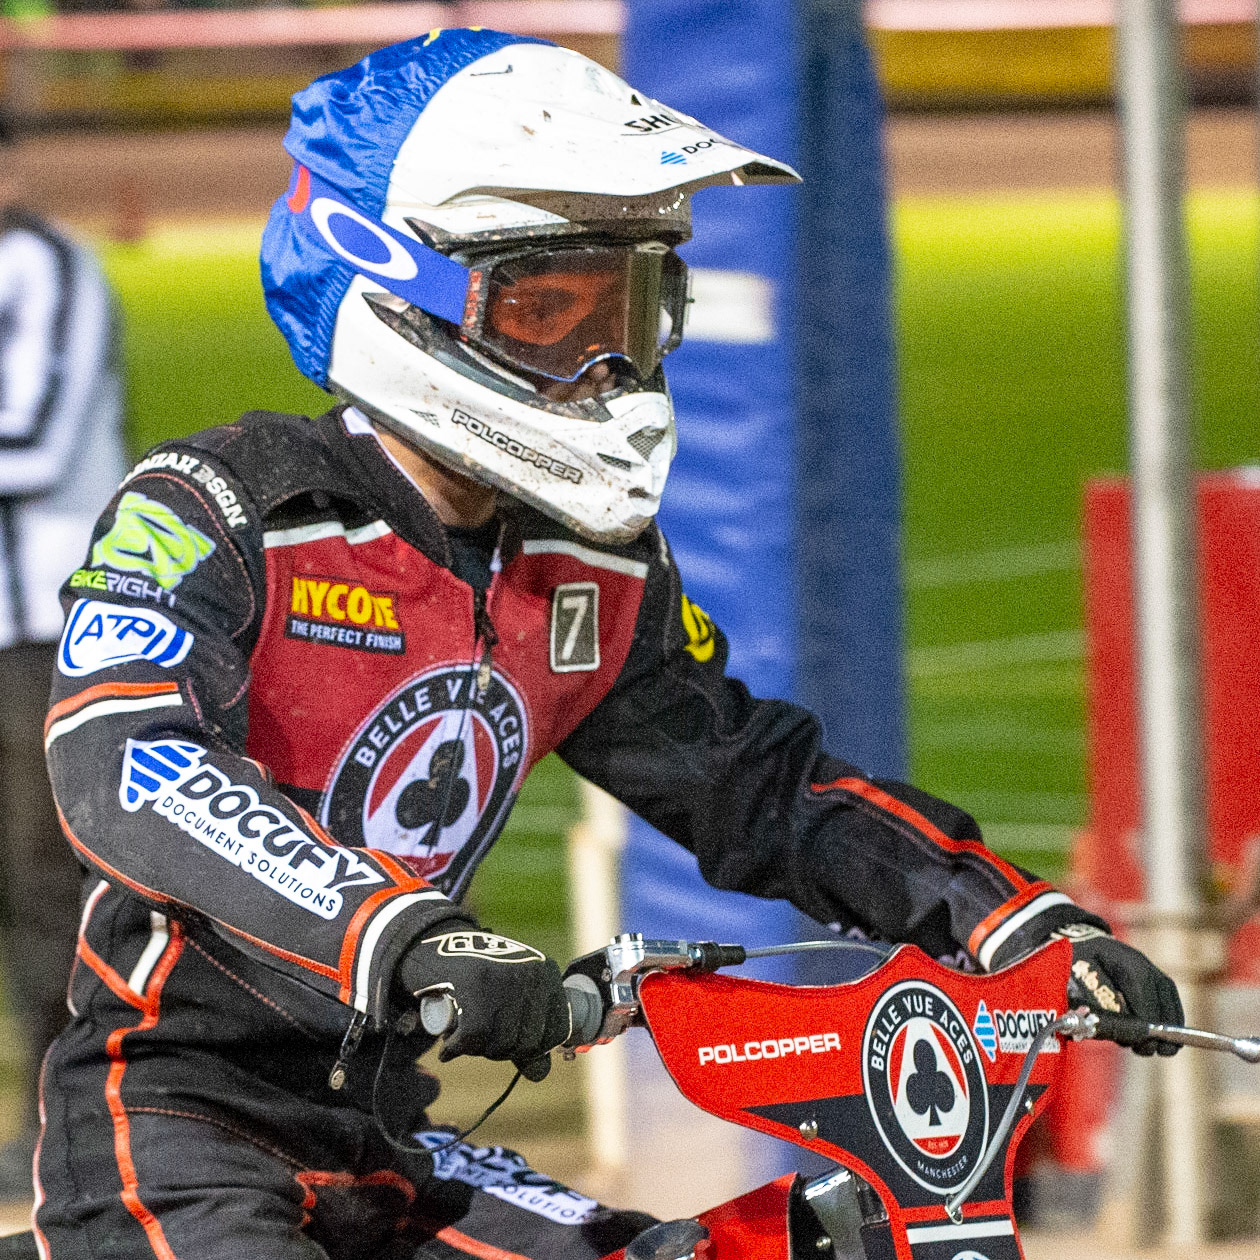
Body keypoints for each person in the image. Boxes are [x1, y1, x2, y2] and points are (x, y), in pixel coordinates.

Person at [34, 29, 1180, 1260]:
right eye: (546, 312)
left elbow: (760, 785)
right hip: (171, 1125)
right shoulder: (227, 506)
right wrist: (398, 934)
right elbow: (125, 761)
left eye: (627, 310)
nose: (604, 366)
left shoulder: (594, 564)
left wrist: (1015, 927)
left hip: (389, 1133)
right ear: (395, 287)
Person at [0, 112, 126, 1197]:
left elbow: (37, 438)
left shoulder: (49, 267)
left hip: (50, 624)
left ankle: (69, 1108)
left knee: (53, 877)